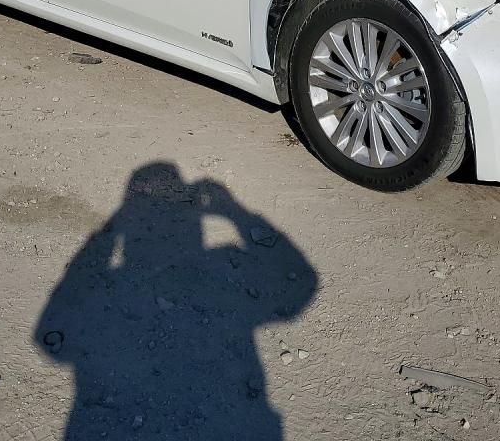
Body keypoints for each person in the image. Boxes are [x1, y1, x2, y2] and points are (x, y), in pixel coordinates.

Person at [34, 162, 317, 439]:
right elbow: (302, 285)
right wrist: (235, 212)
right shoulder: (218, 263)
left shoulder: (115, 282)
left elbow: (52, 341)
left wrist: (114, 226)